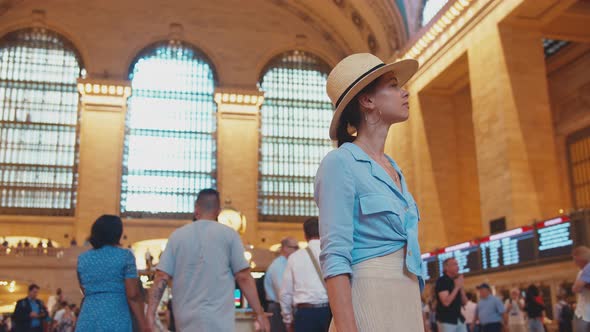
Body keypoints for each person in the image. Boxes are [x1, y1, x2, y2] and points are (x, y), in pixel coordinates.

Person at [315, 53, 422, 332]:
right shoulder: (340, 163)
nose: (404, 92)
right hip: (369, 297)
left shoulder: (395, 169)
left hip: (406, 298)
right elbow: (335, 257)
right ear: (367, 100)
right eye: (392, 85)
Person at [146, 189, 269, 332]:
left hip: (185, 323)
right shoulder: (230, 235)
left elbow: (161, 277)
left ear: (195, 209)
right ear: (219, 211)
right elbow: (243, 277)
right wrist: (259, 313)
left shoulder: (177, 236)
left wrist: (150, 313)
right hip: (219, 323)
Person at [75, 215, 147, 332]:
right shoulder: (125, 256)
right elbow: (133, 294)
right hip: (116, 316)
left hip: (88, 317)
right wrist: (143, 324)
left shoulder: (82, 259)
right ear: (117, 233)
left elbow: (84, 289)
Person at [280, 218, 331, 332]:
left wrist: (287, 319)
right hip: (329, 312)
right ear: (323, 231)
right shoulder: (331, 254)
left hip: (305, 314)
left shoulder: (295, 258)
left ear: (305, 235)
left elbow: (285, 293)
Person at [265, 237, 299, 332]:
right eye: (295, 247)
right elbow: (281, 292)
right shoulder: (279, 266)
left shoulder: (287, 263)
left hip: (283, 307)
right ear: (285, 248)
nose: (297, 250)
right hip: (278, 309)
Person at [435, 258, 468, 332]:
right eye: (455, 264)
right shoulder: (442, 281)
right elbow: (446, 302)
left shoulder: (456, 281)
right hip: (447, 320)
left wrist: (460, 287)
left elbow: (465, 302)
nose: (458, 267)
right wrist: (457, 287)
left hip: (459, 319)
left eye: (457, 264)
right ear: (446, 267)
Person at [572, 246, 590, 332]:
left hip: (583, 314)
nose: (575, 263)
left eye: (576, 260)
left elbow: (576, 288)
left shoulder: (585, 270)